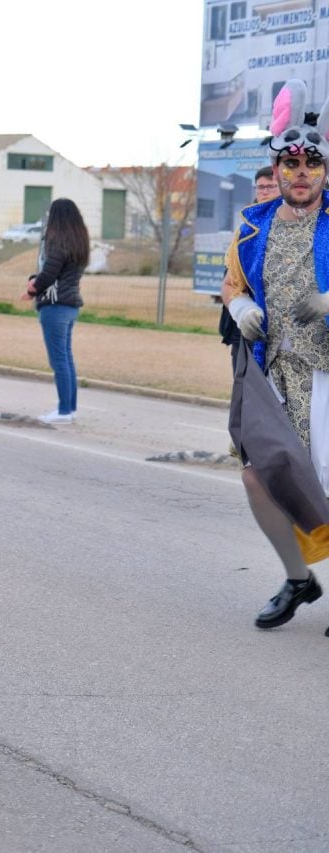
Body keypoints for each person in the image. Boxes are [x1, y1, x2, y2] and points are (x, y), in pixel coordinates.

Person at [221, 78, 329, 634]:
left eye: (312, 161)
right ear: (277, 170)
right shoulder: (251, 228)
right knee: (257, 478)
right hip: (277, 376)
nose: (301, 171)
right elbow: (233, 284)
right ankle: (299, 578)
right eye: (291, 163)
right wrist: (239, 310)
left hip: (327, 375)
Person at [20, 198, 89, 424]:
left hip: (55, 305)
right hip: (70, 305)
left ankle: (63, 411)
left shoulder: (56, 241)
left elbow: (50, 273)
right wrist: (36, 281)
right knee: (66, 358)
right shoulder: (78, 241)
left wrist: (33, 289)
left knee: (58, 359)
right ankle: (70, 408)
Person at [218, 166, 280, 358]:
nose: (265, 191)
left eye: (271, 186)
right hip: (246, 320)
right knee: (246, 383)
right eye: (260, 187)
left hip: (283, 327)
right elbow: (231, 281)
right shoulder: (248, 225)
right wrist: (241, 310)